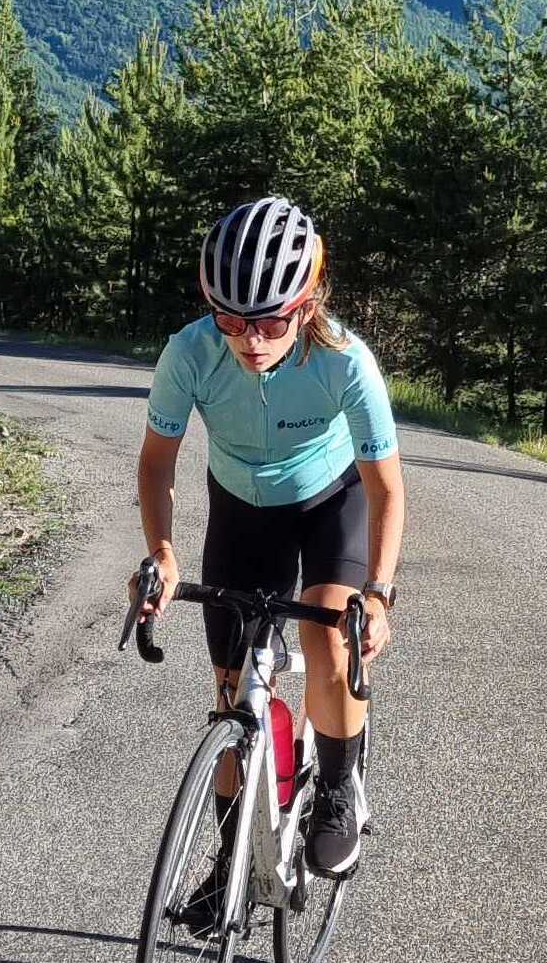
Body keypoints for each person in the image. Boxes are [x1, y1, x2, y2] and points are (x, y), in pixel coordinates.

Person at [131, 194, 405, 915]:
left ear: (308, 303)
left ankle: (339, 788)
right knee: (232, 694)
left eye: (272, 321)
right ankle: (231, 861)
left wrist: (377, 592)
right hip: (240, 512)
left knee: (325, 632)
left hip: (329, 504)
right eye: (231, 320)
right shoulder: (189, 354)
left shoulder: (346, 363)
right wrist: (163, 554)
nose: (251, 340)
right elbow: (156, 465)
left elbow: (386, 489)